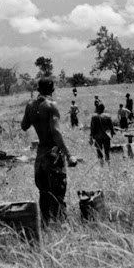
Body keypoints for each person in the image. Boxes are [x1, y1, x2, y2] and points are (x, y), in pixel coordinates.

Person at [21, 77, 77, 225]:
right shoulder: (51, 105)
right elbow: (56, 132)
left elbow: (24, 126)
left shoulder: (30, 105)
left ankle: (45, 224)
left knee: (43, 192)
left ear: (38, 89)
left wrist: (32, 113)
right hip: (53, 154)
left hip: (40, 155)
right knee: (58, 192)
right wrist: (68, 154)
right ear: (52, 90)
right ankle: (60, 225)